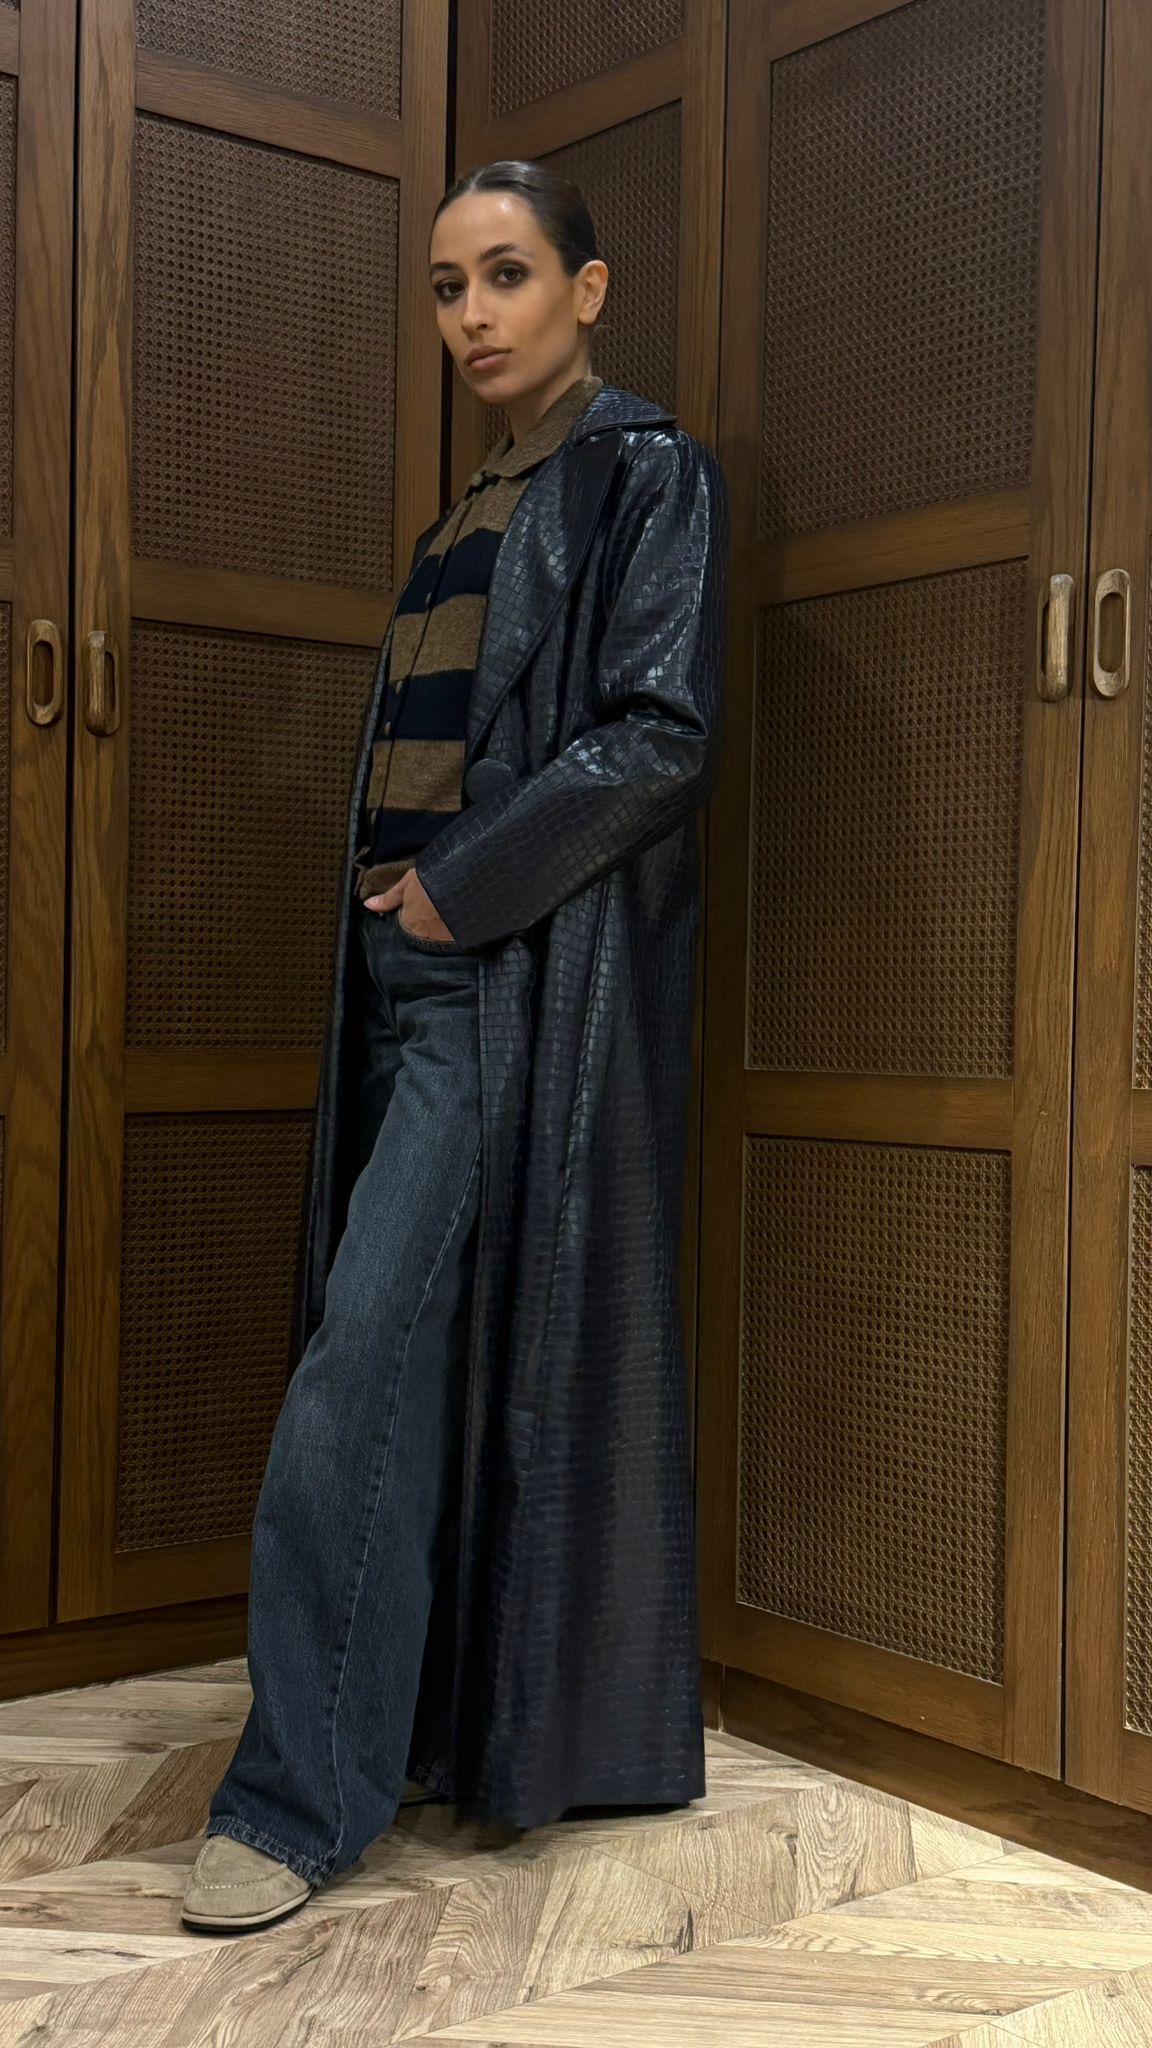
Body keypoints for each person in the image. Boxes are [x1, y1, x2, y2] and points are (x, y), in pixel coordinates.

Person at [181, 158, 730, 1936]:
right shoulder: (461, 518)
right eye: (446, 287)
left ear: (588, 289)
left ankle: (290, 1809)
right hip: (403, 978)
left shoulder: (646, 474)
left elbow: (658, 736)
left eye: (507, 276)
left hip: (495, 979)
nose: (473, 316)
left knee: (356, 1368)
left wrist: (450, 896)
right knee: (398, 1362)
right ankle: (396, 1738)